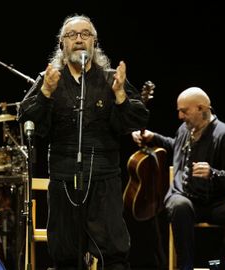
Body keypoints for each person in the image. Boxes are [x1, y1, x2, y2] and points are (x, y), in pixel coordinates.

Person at [18, 14, 149, 270]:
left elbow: (137, 118)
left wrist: (121, 95)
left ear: (94, 43)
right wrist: (45, 93)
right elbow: (26, 120)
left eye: (85, 34)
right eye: (72, 35)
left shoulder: (111, 79)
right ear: (61, 45)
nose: (79, 39)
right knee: (65, 256)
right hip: (64, 179)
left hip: (104, 180)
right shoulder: (49, 80)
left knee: (114, 256)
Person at [131, 87, 225, 270]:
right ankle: (186, 267)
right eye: (179, 111)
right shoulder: (185, 128)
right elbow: (176, 146)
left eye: (184, 111)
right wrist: (153, 137)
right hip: (184, 198)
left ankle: (218, 266)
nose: (180, 116)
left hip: (214, 203)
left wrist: (213, 173)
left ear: (202, 108)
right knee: (180, 205)